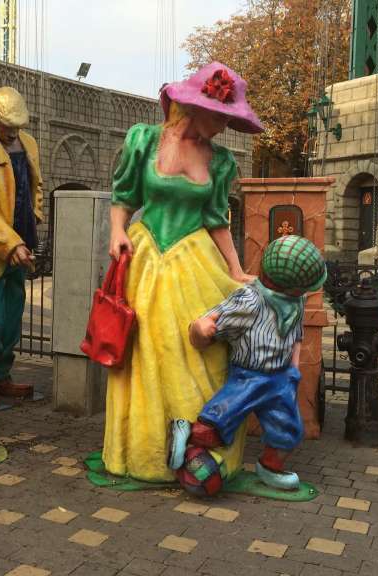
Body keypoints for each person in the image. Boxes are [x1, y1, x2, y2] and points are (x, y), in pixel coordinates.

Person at [103, 62, 263, 483]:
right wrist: (118, 230)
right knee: (148, 352)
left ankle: (199, 442)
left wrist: (236, 269)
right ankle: (149, 452)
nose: (223, 125)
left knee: (202, 348)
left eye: (229, 118)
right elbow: (124, 195)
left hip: (195, 261)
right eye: (219, 116)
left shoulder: (221, 159)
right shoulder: (144, 140)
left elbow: (216, 219)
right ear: (194, 106)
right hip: (147, 258)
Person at [170, 235, 327, 493]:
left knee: (288, 429)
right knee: (220, 420)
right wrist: (201, 329)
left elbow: (297, 335)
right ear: (288, 286)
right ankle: (185, 433)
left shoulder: (297, 302)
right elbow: (211, 324)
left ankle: (270, 467)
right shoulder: (249, 300)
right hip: (248, 376)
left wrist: (294, 368)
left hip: (281, 378)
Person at [0, 87, 44, 402]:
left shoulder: (28, 144)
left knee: (12, 316)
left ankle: (1, 374)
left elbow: (35, 184)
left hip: (20, 244)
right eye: (7, 125)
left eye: (18, 126)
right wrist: (10, 243)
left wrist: (34, 216)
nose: (13, 132)